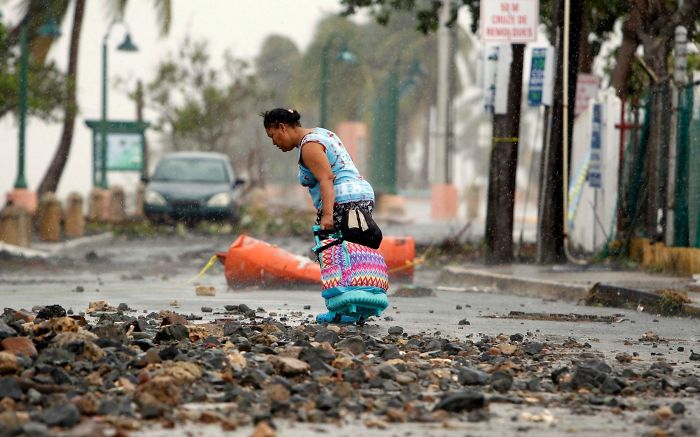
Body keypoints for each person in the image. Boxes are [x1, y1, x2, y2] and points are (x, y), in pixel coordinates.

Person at [261, 108, 382, 248]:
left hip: (341, 201)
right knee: (356, 252)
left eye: (272, 136)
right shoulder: (322, 133)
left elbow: (327, 178)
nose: (274, 143)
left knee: (334, 256)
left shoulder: (309, 146)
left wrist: (327, 215)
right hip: (362, 194)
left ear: (282, 127)